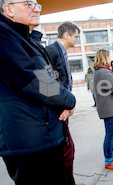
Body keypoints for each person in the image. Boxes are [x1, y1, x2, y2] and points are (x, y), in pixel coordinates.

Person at [0, 0, 76, 185]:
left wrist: (62, 101)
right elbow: (36, 82)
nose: (36, 9)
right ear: (8, 9)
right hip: (29, 142)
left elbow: (49, 80)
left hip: (45, 136)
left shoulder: (27, 39)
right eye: (29, 4)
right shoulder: (1, 36)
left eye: (37, 5)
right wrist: (70, 100)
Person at [45, 21, 84, 185]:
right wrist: (65, 104)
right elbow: (47, 85)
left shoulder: (61, 52)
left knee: (68, 151)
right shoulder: (51, 52)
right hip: (57, 112)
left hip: (64, 108)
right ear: (67, 35)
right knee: (65, 153)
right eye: (76, 36)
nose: (77, 40)